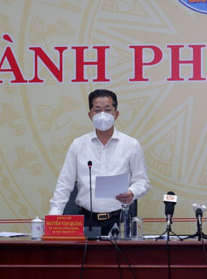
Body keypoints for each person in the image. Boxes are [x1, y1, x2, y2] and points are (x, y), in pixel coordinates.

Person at [49, 89, 150, 234]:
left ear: (116, 114)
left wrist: (132, 192)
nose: (102, 115)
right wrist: (54, 216)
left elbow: (142, 181)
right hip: (86, 220)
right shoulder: (78, 145)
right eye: (97, 110)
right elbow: (64, 183)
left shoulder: (131, 145)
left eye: (108, 110)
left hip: (119, 219)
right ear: (90, 115)